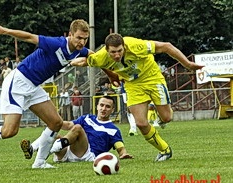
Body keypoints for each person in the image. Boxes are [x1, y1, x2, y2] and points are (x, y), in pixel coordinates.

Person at [0, 19, 93, 169]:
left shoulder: (81, 51)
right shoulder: (57, 43)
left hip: (34, 86)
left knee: (56, 122)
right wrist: (4, 30)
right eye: (79, 38)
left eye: (85, 39)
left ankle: (39, 162)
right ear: (70, 34)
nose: (82, 42)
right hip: (18, 82)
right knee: (9, 131)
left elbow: (96, 57)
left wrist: (112, 74)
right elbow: (29, 37)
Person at [73, 33, 204, 162]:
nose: (117, 55)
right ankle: (165, 150)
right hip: (132, 85)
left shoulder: (136, 46)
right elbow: (94, 61)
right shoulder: (100, 56)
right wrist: (110, 74)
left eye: (120, 51)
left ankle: (162, 116)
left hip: (152, 78)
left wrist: (188, 64)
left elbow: (166, 46)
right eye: (113, 52)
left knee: (167, 117)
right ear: (106, 50)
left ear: (124, 46)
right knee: (141, 123)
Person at [20, 96, 133, 163]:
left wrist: (124, 154)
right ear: (97, 106)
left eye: (108, 107)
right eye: (102, 105)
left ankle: (48, 152)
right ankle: (32, 148)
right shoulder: (87, 118)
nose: (104, 109)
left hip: (88, 155)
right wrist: (53, 122)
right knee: (54, 133)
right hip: (68, 151)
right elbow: (68, 125)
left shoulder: (113, 130)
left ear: (112, 110)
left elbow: (120, 147)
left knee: (78, 128)